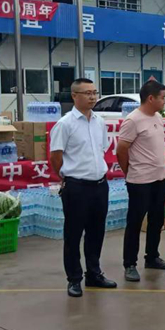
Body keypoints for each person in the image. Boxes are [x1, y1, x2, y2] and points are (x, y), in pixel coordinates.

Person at [49, 78, 117, 297]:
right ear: (74, 96)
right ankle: (74, 279)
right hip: (76, 187)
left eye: (94, 92)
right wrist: (66, 176)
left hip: (100, 185)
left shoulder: (99, 122)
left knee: (96, 233)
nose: (92, 97)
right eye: (87, 93)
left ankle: (94, 274)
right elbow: (55, 156)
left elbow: (102, 149)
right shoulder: (65, 124)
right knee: (73, 234)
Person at [117, 80, 165, 283]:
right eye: (162, 98)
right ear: (151, 98)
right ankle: (130, 264)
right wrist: (129, 172)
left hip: (159, 178)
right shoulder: (133, 120)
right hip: (140, 180)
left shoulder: (157, 117)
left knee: (157, 220)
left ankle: (152, 256)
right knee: (135, 222)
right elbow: (121, 149)